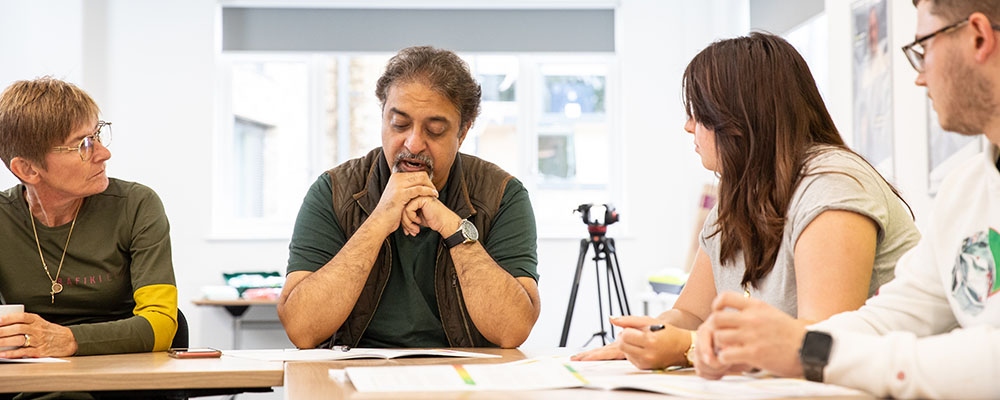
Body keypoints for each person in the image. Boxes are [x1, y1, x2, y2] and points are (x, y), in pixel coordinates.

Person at [692, 1, 1000, 398]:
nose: (920, 78)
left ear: (978, 37)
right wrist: (774, 345)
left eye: (925, 47)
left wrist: (813, 354)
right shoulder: (966, 188)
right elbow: (895, 314)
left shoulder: (834, 182)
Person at [572, 32, 921, 370]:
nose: (688, 126)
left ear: (737, 119)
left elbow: (824, 340)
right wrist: (655, 334)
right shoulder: (738, 195)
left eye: (699, 112)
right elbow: (693, 314)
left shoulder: (833, 186)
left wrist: (687, 348)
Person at [278, 46, 540, 349]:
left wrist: (453, 227)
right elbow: (301, 329)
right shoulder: (333, 191)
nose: (413, 144)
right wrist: (378, 222)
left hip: (466, 380)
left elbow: (512, 330)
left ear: (463, 132)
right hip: (354, 379)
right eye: (399, 124)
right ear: (382, 118)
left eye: (436, 130)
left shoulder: (502, 194)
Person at [0, 77, 178, 358]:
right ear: (28, 169)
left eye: (97, 136)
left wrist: (68, 340)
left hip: (122, 375)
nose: (104, 153)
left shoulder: (136, 205)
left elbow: (162, 325)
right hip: (29, 379)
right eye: (83, 144)